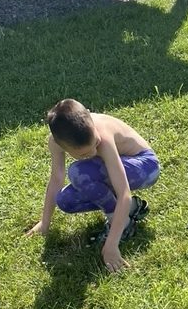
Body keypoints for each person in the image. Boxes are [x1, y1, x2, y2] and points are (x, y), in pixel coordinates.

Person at [26, 99, 160, 273]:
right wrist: (45, 223)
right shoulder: (55, 142)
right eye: (85, 154)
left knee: (78, 172)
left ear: (89, 115)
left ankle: (122, 223)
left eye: (95, 144)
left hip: (146, 167)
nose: (95, 152)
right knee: (65, 201)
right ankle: (131, 208)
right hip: (116, 171)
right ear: (62, 146)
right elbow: (56, 179)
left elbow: (123, 192)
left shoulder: (104, 137)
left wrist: (111, 245)